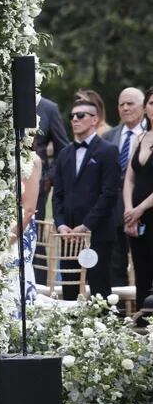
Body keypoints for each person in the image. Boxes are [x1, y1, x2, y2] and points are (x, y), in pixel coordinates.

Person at [52, 99, 120, 300]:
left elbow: (109, 194)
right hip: (69, 235)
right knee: (69, 291)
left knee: (100, 289)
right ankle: (68, 331)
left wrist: (87, 225)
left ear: (94, 120)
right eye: (72, 116)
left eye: (80, 115)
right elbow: (58, 195)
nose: (74, 119)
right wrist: (61, 224)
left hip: (97, 234)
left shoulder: (108, 151)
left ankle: (101, 330)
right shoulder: (64, 153)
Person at [102, 88, 145, 287]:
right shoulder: (109, 136)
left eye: (130, 103)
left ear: (143, 107)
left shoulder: (148, 136)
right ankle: (117, 313)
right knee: (114, 265)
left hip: (143, 206)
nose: (125, 108)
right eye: (121, 104)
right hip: (112, 211)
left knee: (143, 264)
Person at [123, 88, 153, 309]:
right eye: (151, 103)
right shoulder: (141, 137)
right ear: (146, 108)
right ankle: (142, 323)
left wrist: (140, 209)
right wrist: (129, 211)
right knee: (140, 268)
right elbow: (129, 179)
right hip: (136, 217)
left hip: (147, 211)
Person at [10, 155, 42, 306]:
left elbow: (29, 210)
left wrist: (10, 237)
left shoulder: (30, 161)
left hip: (21, 225)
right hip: (2, 224)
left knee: (20, 271)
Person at [34, 95, 69, 221]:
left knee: (34, 232)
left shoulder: (48, 108)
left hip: (37, 183)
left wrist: (49, 176)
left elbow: (63, 148)